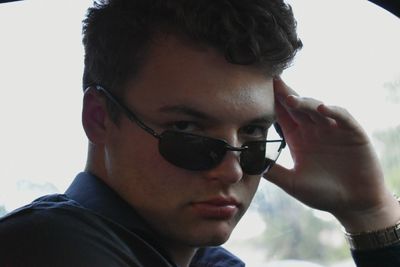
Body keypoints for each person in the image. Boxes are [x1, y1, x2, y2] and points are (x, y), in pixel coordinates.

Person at [1, 0, 400, 266]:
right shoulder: (48, 247)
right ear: (100, 119)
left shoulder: (203, 258)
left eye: (254, 135)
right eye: (186, 130)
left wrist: (369, 212)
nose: (232, 171)